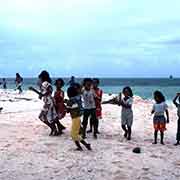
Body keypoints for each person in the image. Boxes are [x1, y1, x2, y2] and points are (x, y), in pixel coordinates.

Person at [66, 85, 92, 151]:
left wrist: (66, 104)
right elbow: (75, 106)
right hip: (77, 118)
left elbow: (68, 111)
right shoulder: (77, 98)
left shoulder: (70, 101)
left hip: (75, 119)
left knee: (74, 135)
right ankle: (80, 146)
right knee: (75, 134)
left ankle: (86, 145)